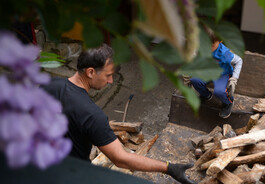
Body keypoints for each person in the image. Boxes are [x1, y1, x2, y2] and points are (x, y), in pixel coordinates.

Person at [42, 44, 195, 184]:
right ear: (90, 72)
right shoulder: (92, 115)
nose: (110, 81)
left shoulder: (50, 85)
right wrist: (169, 168)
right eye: (108, 75)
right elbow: (121, 159)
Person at [187, 28, 243, 119]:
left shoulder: (224, 53)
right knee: (194, 80)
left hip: (222, 74)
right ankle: (206, 95)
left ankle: (228, 103)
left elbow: (239, 61)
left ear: (220, 41)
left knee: (219, 91)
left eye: (212, 45)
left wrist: (234, 78)